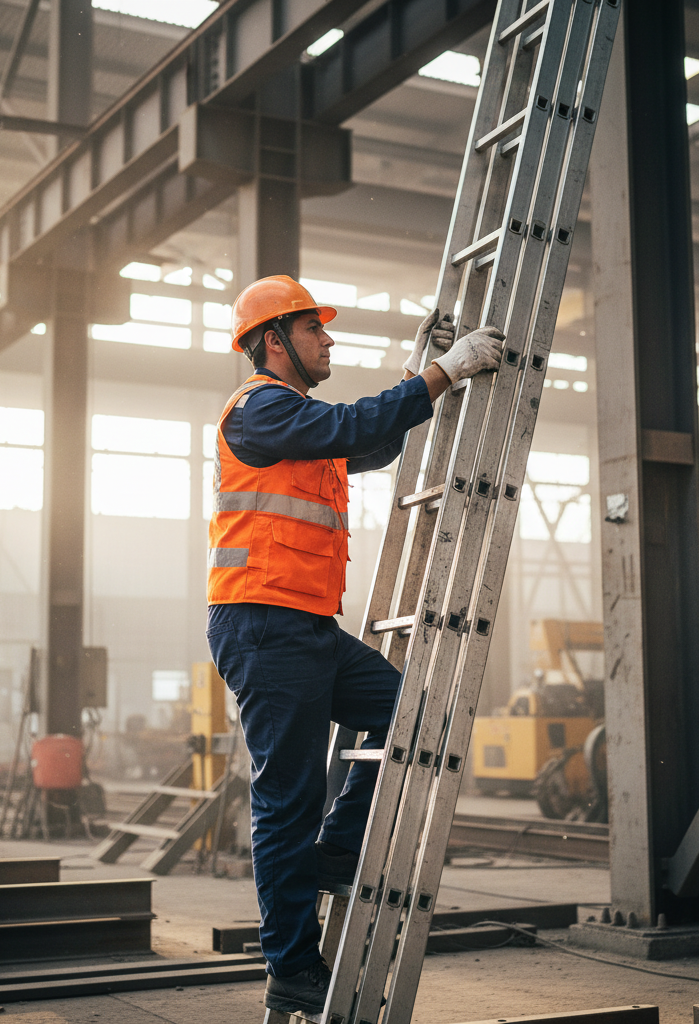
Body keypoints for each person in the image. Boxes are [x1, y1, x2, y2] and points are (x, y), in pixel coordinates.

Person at [205, 275, 502, 1017]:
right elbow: (346, 428)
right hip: (264, 626)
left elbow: (364, 441)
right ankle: (292, 967)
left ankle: (339, 845)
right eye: (315, 330)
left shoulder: (297, 421)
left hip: (306, 628)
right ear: (275, 342)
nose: (328, 340)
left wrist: (417, 373)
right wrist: (444, 371)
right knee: (286, 801)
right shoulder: (260, 408)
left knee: (408, 711)